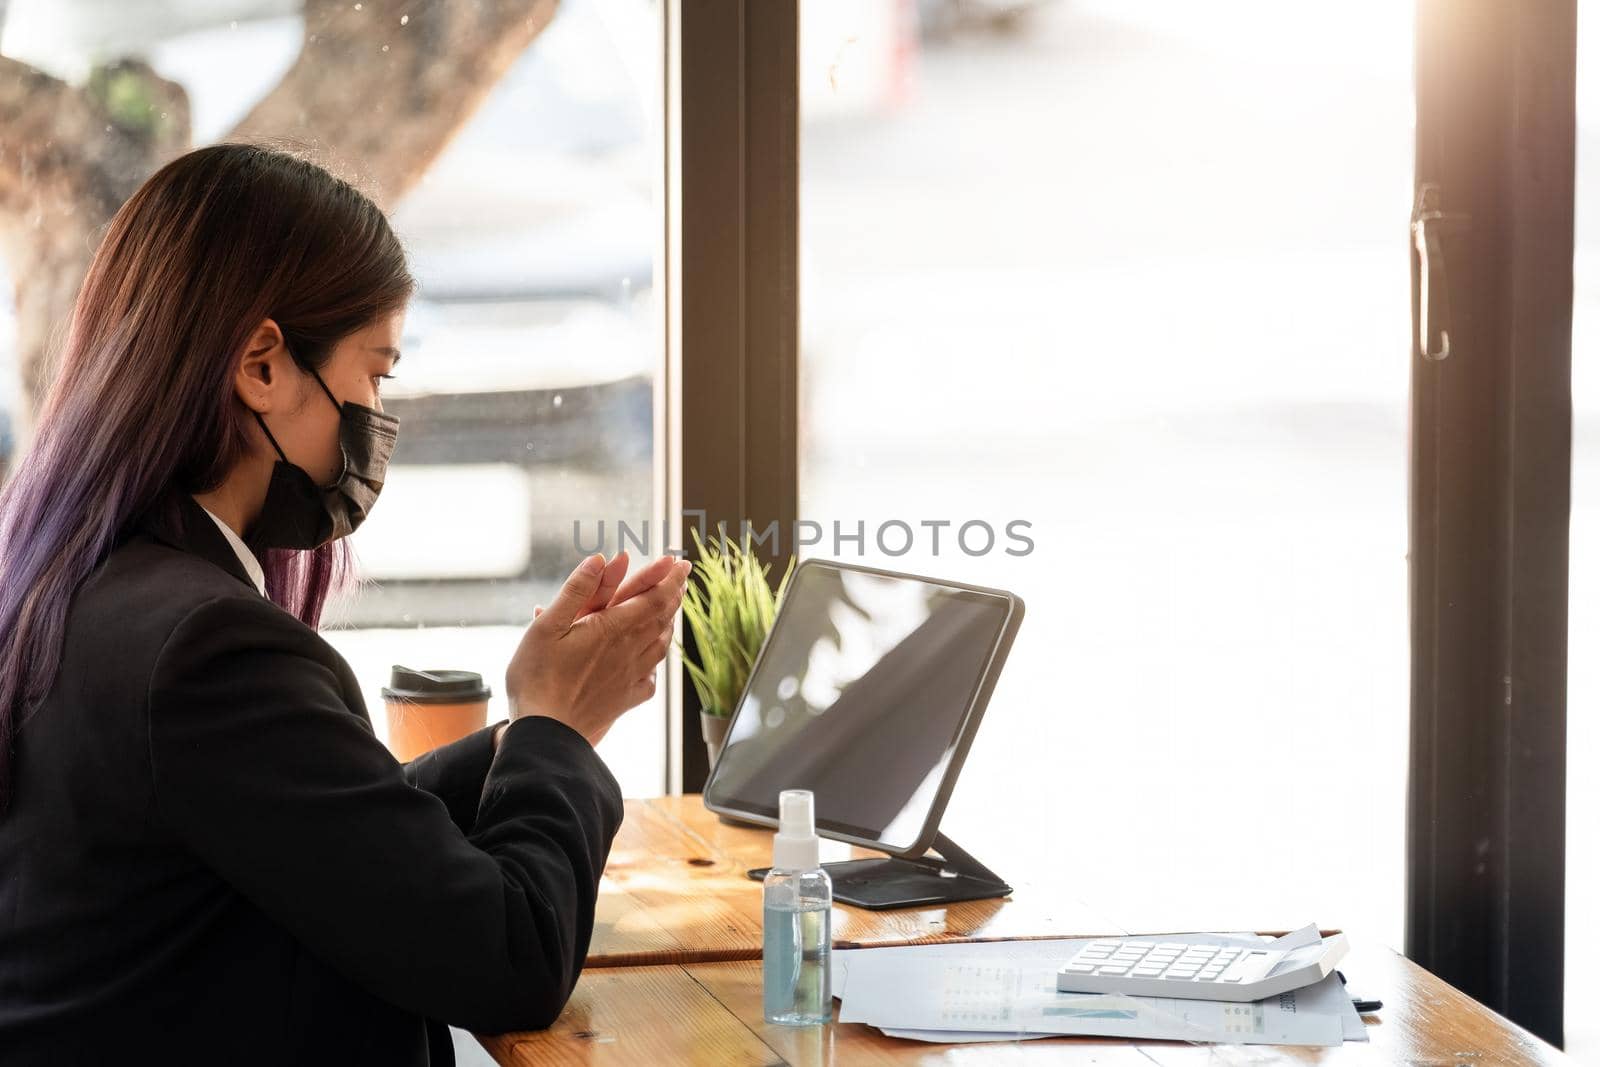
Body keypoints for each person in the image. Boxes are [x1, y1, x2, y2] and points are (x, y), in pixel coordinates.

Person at [0, 143, 689, 1064]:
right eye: (376, 372)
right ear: (262, 365)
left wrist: (521, 733)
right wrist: (558, 730)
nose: (376, 412)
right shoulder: (208, 647)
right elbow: (509, 958)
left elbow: (316, 829)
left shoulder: (82, 580)